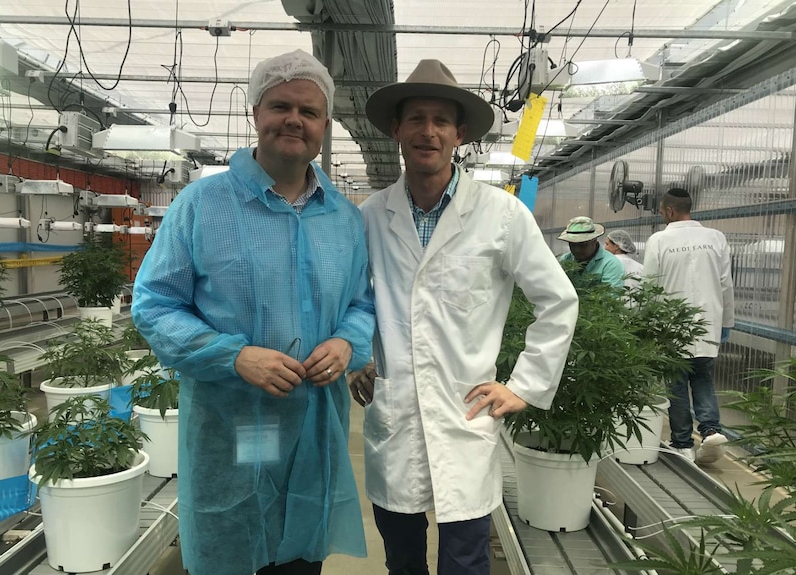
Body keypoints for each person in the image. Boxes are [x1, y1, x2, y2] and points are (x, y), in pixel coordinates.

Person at [130, 49, 375, 575]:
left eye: (309, 111)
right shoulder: (203, 205)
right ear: (256, 115)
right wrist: (234, 356)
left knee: (300, 556)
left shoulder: (345, 220)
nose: (294, 119)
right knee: (233, 550)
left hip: (312, 430)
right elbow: (154, 305)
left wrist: (347, 342)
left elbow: (362, 301)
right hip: (231, 426)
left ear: (325, 126)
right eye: (280, 105)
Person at [351, 59, 579, 575]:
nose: (427, 131)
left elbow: (558, 299)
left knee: (466, 561)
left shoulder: (500, 215)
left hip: (466, 415)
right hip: (396, 414)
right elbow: (353, 298)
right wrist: (358, 357)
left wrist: (524, 386)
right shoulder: (370, 216)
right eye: (416, 119)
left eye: (441, 120)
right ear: (396, 130)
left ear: (460, 134)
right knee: (402, 560)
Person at [643, 188, 734, 465]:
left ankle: (683, 444)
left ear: (669, 211)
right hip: (708, 325)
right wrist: (726, 323)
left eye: (661, 212)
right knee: (703, 378)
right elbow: (725, 284)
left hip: (672, 327)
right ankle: (710, 431)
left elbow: (650, 286)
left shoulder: (659, 240)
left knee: (677, 385)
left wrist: (647, 326)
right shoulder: (715, 238)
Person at [557, 216, 625, 287]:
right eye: (572, 244)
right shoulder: (565, 259)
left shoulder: (610, 264)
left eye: (582, 245)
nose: (577, 249)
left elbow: (611, 295)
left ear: (594, 240)